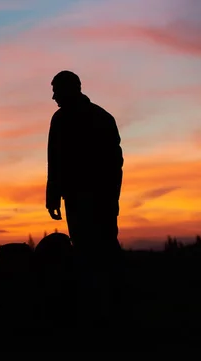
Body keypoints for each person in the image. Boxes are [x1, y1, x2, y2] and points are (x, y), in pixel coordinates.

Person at [45, 71, 124, 332]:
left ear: (73, 88)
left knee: (103, 251)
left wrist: (111, 199)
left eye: (57, 89)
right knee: (84, 250)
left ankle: (112, 312)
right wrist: (53, 195)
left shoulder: (100, 118)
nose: (53, 95)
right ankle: (93, 311)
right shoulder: (59, 119)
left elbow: (114, 164)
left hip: (98, 198)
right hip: (76, 198)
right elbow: (54, 161)